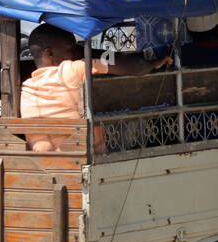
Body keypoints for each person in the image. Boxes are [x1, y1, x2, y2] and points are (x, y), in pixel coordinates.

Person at [20, 23, 172, 152]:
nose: (76, 53)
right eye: (71, 49)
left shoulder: (27, 88)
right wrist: (153, 63)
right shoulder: (72, 70)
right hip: (79, 160)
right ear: (50, 53)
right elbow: (132, 67)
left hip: (44, 162)